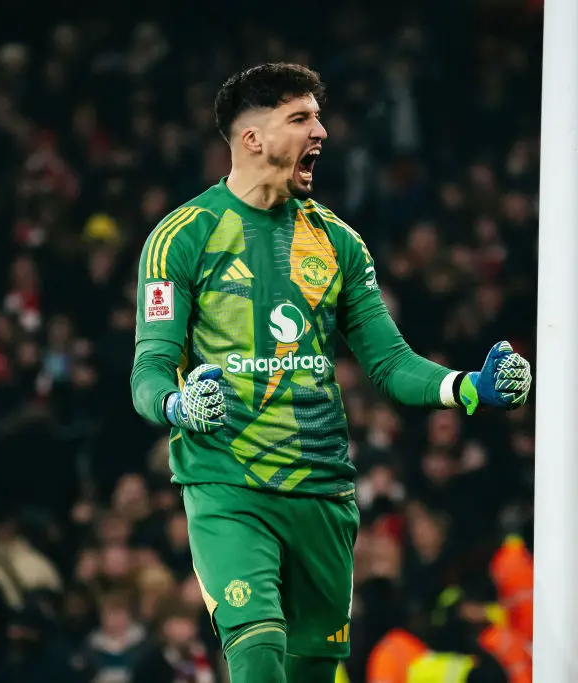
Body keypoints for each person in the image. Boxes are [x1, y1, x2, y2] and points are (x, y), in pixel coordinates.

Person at [129, 62, 533, 683]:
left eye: (319, 116)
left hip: (323, 490)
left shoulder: (339, 244)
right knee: (257, 648)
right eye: (301, 118)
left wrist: (469, 386)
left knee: (313, 671)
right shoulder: (182, 237)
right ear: (252, 139)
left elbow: (392, 364)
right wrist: (180, 406)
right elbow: (149, 371)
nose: (322, 130)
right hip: (228, 483)